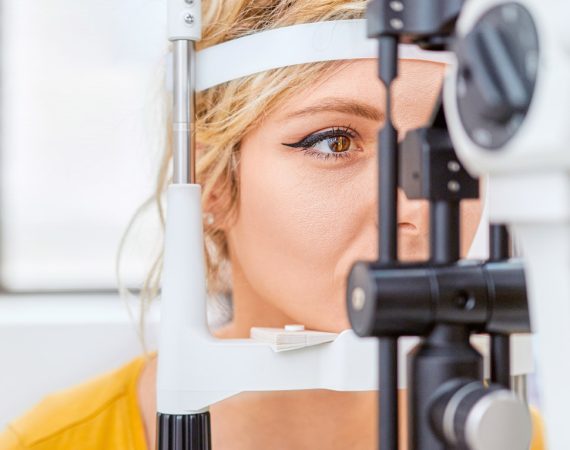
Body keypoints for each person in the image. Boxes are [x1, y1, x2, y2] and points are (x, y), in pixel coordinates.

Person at [0, 1, 544, 449]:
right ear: (212, 179)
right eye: (334, 142)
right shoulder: (55, 440)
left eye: (444, 148)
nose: (414, 205)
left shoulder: (515, 435)